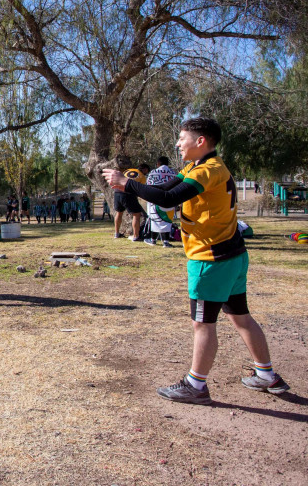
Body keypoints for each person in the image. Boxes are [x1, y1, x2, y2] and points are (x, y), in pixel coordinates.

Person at [103, 118, 289, 404]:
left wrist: (127, 183)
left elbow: (168, 199)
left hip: (211, 259)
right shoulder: (199, 167)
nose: (178, 144)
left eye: (182, 138)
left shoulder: (208, 170)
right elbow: (167, 188)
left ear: (200, 141)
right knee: (240, 317)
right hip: (232, 255)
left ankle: (196, 386)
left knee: (202, 324)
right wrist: (135, 184)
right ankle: (266, 375)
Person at [144, 157, 177, 247]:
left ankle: (153, 240)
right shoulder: (173, 173)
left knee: (154, 220)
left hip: (155, 199)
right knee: (167, 220)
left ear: (158, 163)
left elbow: (148, 186)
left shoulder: (153, 172)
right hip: (169, 199)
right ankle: (165, 241)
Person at [113, 159, 145, 240]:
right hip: (128, 193)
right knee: (136, 214)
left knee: (119, 212)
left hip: (117, 192)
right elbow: (141, 189)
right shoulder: (141, 175)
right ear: (145, 169)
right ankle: (136, 236)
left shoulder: (127, 171)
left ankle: (116, 233)